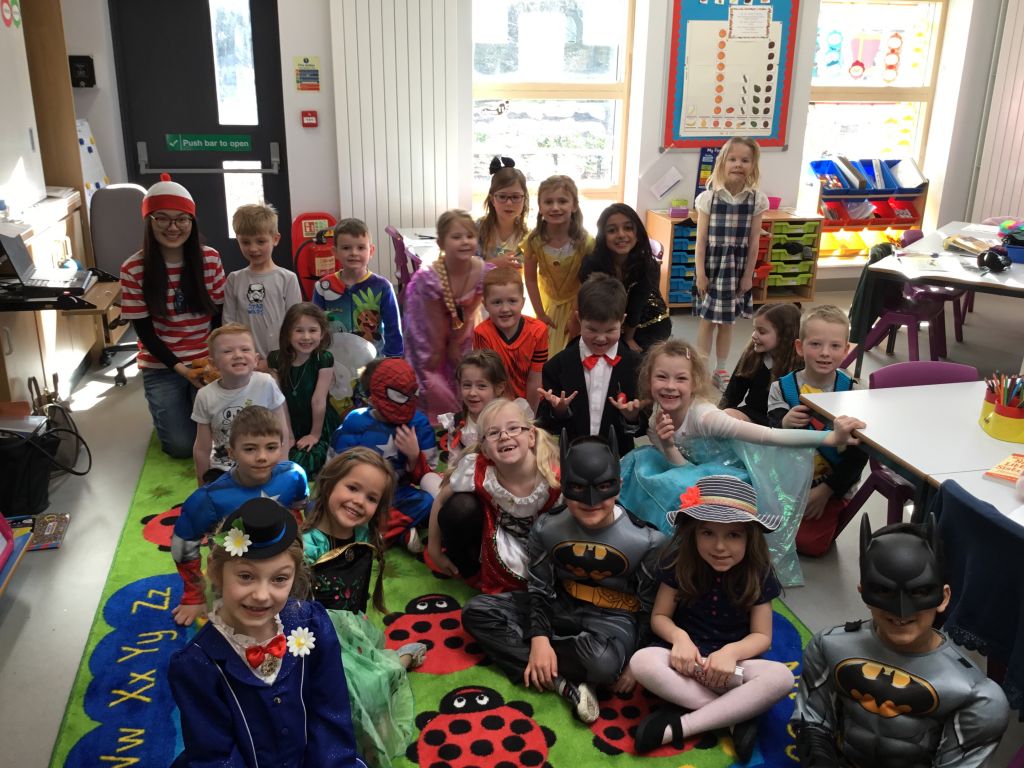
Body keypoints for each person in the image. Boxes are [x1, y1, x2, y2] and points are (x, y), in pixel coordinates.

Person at [618, 338, 865, 587]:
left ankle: (688, 563)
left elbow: (769, 436)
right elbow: (679, 466)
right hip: (688, 473)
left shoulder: (705, 417)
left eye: (681, 378)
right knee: (641, 461)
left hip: (729, 480)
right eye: (661, 377)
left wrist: (829, 437)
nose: (670, 386)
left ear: (695, 383)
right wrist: (659, 438)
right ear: (648, 380)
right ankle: (643, 543)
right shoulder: (657, 412)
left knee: (678, 488)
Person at [462, 433, 666, 724]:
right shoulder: (547, 527)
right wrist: (540, 639)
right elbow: (539, 588)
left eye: (603, 487)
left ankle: (554, 667)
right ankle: (563, 681)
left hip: (612, 620)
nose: (591, 500)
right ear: (564, 486)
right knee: (477, 611)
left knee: (603, 664)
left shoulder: (647, 541)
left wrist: (637, 660)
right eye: (578, 488)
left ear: (618, 486)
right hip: (559, 605)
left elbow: (651, 607)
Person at [791, 515, 1009, 767]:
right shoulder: (829, 646)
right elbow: (811, 721)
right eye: (883, 590)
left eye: (920, 591)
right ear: (863, 592)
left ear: (943, 597)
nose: (901, 611)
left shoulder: (975, 694)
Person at [167, 497, 366, 768]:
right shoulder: (196, 665)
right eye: (246, 576)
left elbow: (330, 715)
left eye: (279, 579)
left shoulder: (314, 625)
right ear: (215, 569)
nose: (262, 595)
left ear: (295, 576)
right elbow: (215, 755)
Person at [630, 475, 795, 762]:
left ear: (750, 537)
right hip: (685, 662)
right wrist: (679, 638)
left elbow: (762, 636)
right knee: (641, 662)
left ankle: (684, 725)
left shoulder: (759, 572)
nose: (719, 546)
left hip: (733, 668)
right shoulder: (677, 562)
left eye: (733, 535)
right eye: (708, 533)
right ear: (693, 532)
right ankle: (735, 715)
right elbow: (660, 616)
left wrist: (731, 653)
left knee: (781, 678)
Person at [303, 448, 426, 768]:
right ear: (329, 483)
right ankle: (398, 661)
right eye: (352, 488)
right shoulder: (307, 544)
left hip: (352, 633)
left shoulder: (364, 534)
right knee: (337, 694)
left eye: (371, 498)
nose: (359, 501)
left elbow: (356, 592)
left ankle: (399, 662)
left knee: (369, 686)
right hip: (316, 638)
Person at [171, 405, 308, 627]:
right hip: (234, 575)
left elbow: (298, 513)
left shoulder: (294, 476)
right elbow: (183, 545)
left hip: (282, 572)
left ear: (282, 446)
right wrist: (193, 596)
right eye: (250, 449)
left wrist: (299, 555)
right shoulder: (209, 498)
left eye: (271, 447)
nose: (262, 457)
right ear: (231, 452)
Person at [119, 174, 226, 458]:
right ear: (149, 221)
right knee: (180, 447)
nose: (173, 227)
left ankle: (182, 408)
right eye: (163, 219)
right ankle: (172, 412)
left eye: (181, 219)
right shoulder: (133, 269)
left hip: (206, 359)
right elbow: (145, 333)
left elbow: (218, 317)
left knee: (223, 436)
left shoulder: (210, 259)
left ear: (192, 221)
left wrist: (214, 360)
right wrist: (183, 371)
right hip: (162, 366)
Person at [426, 398, 561, 592]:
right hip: (495, 541)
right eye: (493, 433)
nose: (504, 436)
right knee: (459, 507)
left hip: (545, 545)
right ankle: (473, 572)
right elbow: (440, 499)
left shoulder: (553, 476)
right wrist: (434, 549)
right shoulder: (477, 470)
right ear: (485, 450)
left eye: (513, 428)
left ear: (531, 436)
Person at [767, 305, 869, 557]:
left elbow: (859, 455)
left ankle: (830, 509)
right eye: (815, 344)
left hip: (832, 485)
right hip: (789, 483)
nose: (825, 353)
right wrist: (784, 424)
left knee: (810, 545)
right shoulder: (782, 389)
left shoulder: (854, 393)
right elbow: (772, 436)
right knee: (760, 527)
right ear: (800, 347)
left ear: (846, 350)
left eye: (835, 346)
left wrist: (827, 490)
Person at [331, 357, 441, 551]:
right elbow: (334, 468)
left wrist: (414, 456)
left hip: (398, 494)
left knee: (428, 501)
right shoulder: (356, 421)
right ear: (371, 397)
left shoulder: (418, 423)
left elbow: (428, 475)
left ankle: (372, 533)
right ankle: (399, 532)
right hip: (359, 492)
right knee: (324, 504)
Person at [536, 273, 643, 454]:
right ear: (579, 319)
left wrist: (632, 418)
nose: (601, 338)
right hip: (571, 456)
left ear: (623, 321)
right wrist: (559, 411)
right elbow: (547, 425)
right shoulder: (557, 366)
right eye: (592, 329)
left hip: (619, 458)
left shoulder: (637, 367)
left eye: (610, 330)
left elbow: (642, 427)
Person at [693, 137, 769, 388]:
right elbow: (701, 240)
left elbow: (754, 242)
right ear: (722, 163)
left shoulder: (757, 200)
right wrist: (700, 273)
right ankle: (702, 369)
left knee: (727, 322)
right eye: (733, 159)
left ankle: (721, 369)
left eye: (745, 160)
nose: (738, 164)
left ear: (753, 165)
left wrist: (748, 275)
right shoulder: (709, 198)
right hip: (712, 267)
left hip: (735, 270)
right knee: (707, 320)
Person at [403, 209, 488, 422]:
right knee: (431, 370)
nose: (465, 242)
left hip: (462, 327)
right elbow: (435, 325)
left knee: (468, 365)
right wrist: (444, 349)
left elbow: (471, 311)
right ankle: (436, 423)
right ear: (441, 243)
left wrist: (458, 345)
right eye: (456, 237)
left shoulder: (481, 270)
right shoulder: (430, 279)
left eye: (470, 236)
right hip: (430, 332)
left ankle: (467, 417)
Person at [191, 323, 289, 485]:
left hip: (264, 463)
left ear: (256, 359)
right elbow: (202, 447)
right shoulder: (205, 395)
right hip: (224, 468)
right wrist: (202, 484)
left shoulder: (266, 383)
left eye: (245, 349)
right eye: (227, 351)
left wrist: (282, 469)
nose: (238, 355)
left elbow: (282, 430)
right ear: (213, 363)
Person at [579, 203, 671, 354]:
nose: (621, 234)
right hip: (606, 320)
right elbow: (591, 303)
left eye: (628, 228)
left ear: (637, 233)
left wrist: (628, 338)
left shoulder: (648, 265)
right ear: (603, 236)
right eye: (612, 230)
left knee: (634, 358)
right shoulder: (591, 264)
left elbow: (637, 305)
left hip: (646, 322)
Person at [522, 175, 594, 355]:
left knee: (573, 350)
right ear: (540, 207)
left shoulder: (586, 243)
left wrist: (576, 315)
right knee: (547, 353)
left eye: (562, 201)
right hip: (548, 305)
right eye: (548, 202)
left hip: (578, 305)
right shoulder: (534, 241)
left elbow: (587, 282)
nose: (555, 207)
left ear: (574, 206)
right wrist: (540, 314)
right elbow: (530, 279)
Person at [312, 217, 403, 358]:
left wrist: (394, 358)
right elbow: (315, 325)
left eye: (360, 248)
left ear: (371, 251)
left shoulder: (383, 287)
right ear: (335, 252)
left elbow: (393, 327)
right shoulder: (323, 287)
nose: (354, 253)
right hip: (335, 360)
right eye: (346, 248)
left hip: (374, 361)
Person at [222, 203, 302, 362]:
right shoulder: (234, 279)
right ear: (238, 240)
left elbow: (295, 324)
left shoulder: (288, 278)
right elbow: (228, 325)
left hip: (281, 361)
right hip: (244, 361)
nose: (253, 248)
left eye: (260, 241)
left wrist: (277, 360)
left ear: (275, 239)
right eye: (246, 242)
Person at [268, 303, 340, 476]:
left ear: (322, 333)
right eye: (299, 330)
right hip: (287, 420)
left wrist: (314, 435)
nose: (306, 337)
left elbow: (318, 400)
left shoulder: (323, 358)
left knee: (307, 461)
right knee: (278, 459)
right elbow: (280, 401)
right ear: (287, 333)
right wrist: (288, 434)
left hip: (318, 423)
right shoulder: (276, 358)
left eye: (312, 330)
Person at [473, 267, 548, 412]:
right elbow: (488, 379)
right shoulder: (482, 333)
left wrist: (529, 416)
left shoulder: (538, 331)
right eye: (497, 302)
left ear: (523, 302)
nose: (505, 309)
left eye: (512, 301)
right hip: (496, 405)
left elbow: (535, 380)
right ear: (485, 304)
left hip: (532, 403)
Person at [720, 303, 802, 425]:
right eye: (754, 329)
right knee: (726, 416)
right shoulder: (752, 355)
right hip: (753, 416)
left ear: (784, 335)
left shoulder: (800, 365)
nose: (754, 336)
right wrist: (716, 417)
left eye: (762, 332)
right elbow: (732, 395)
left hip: (784, 423)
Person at [437, 349, 509, 460]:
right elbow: (454, 462)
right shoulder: (456, 423)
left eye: (481, 386)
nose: (472, 393)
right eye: (467, 385)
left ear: (499, 388)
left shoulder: (509, 421)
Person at [477, 156, 530, 270]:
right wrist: (494, 264)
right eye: (502, 196)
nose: (509, 203)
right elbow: (466, 269)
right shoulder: (478, 229)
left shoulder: (527, 235)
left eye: (515, 197)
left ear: (524, 199)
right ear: (492, 199)